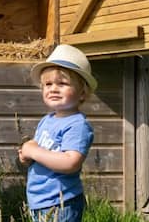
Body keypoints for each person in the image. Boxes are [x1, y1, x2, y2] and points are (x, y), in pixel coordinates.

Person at [18, 44, 96, 222]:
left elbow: (70, 162)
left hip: (61, 202)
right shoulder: (48, 120)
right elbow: (43, 152)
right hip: (40, 200)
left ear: (82, 93)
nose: (53, 88)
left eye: (62, 83)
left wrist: (34, 152)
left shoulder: (77, 125)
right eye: (48, 84)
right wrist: (27, 156)